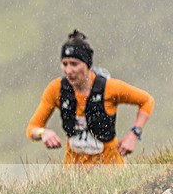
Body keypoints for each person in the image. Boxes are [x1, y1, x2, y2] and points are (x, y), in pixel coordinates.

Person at [26, 30, 154, 165]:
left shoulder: (109, 88)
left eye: (74, 64)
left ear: (87, 64)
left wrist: (134, 134)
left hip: (110, 169)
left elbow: (147, 101)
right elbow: (32, 128)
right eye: (65, 64)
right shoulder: (56, 89)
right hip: (73, 174)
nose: (69, 71)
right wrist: (43, 132)